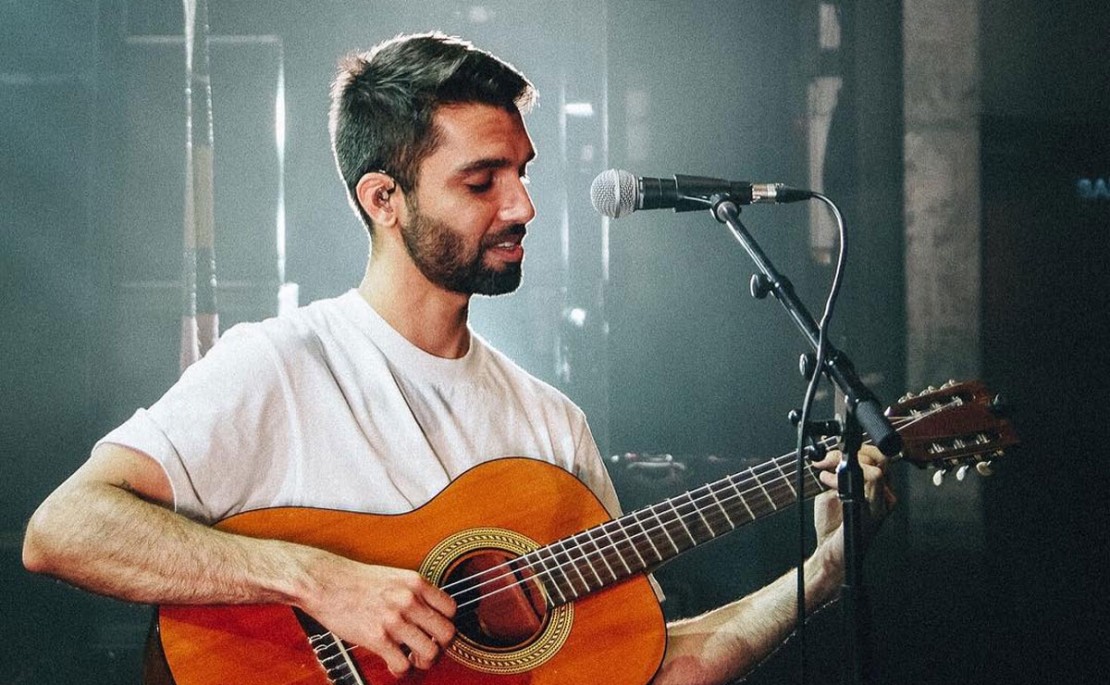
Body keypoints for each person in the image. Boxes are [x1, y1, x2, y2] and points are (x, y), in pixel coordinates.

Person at [22, 31, 893, 685]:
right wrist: (320, 580)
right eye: (482, 182)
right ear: (384, 199)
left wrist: (822, 574)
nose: (523, 206)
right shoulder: (280, 366)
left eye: (523, 172)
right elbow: (62, 529)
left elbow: (646, 668)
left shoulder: (551, 427)